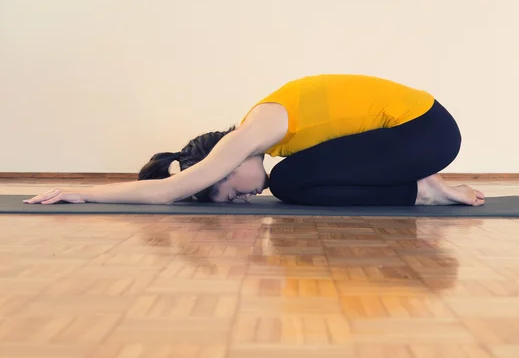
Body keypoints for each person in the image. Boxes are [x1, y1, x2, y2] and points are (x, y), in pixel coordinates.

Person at [24, 74, 484, 207]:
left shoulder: (251, 132)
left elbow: (168, 190)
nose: (245, 196)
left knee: (289, 183)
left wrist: (81, 192)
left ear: (220, 164)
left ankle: (424, 186)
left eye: (229, 191)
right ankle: (422, 186)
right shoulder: (271, 133)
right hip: (420, 135)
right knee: (295, 183)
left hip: (427, 131)